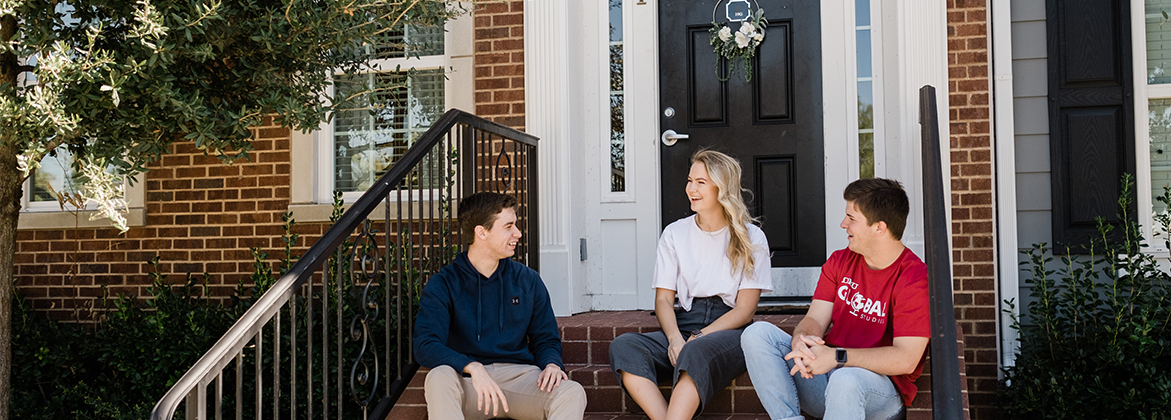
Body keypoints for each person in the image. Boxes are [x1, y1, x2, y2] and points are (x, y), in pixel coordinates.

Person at [741, 178, 930, 420]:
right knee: (757, 335)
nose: (843, 224)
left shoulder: (914, 277)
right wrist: (801, 340)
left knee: (846, 377)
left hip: (879, 392)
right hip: (828, 379)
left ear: (879, 228)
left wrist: (837, 358)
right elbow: (814, 320)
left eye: (852, 218)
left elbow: (906, 359)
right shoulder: (840, 261)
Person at [609, 150, 772, 420]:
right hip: (684, 323)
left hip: (729, 329)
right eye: (689, 180)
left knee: (694, 351)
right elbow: (663, 301)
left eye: (701, 182)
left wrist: (698, 337)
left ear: (722, 188)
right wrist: (674, 339)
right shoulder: (674, 233)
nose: (691, 189)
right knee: (624, 346)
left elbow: (745, 311)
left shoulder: (751, 237)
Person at [413, 192, 586, 420]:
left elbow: (545, 338)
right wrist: (472, 366)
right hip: (468, 383)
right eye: (508, 226)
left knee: (572, 392)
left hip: (520, 380)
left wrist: (552, 363)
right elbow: (425, 344)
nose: (518, 233)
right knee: (438, 377)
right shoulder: (444, 283)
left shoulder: (527, 280)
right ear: (481, 232)